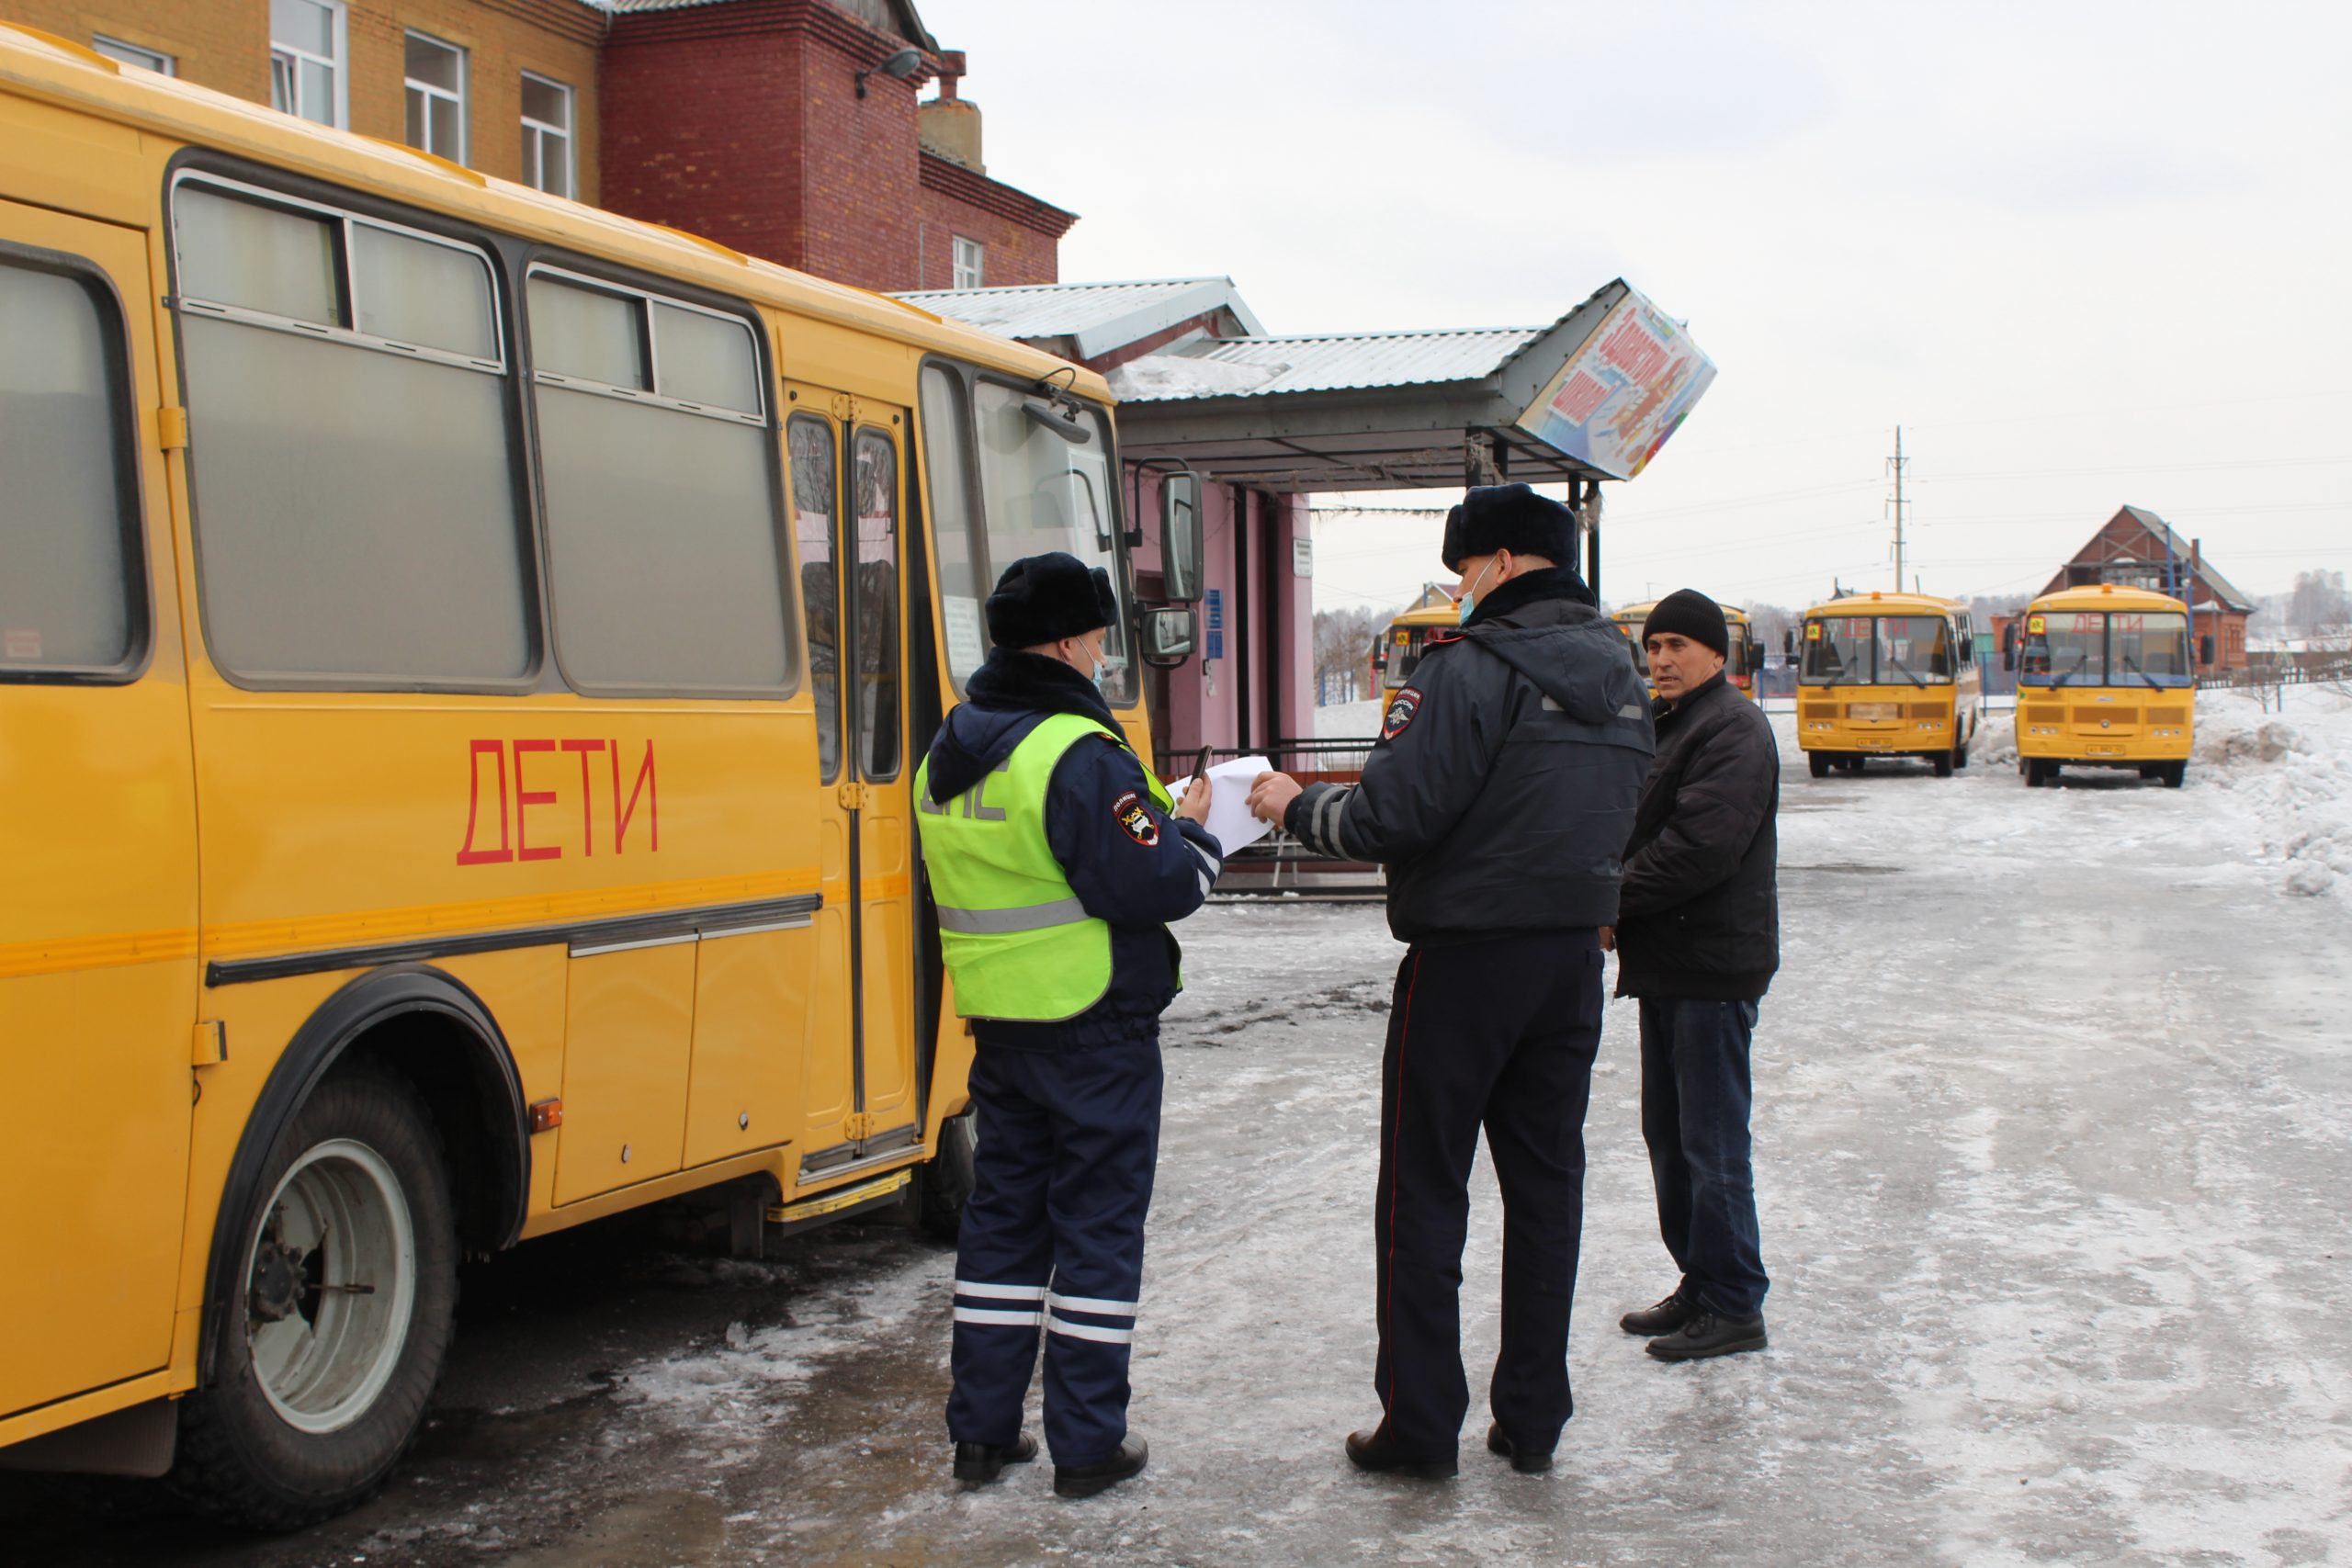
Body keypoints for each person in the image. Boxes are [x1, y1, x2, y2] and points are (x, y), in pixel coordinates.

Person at [1245, 484, 1653, 1478]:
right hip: (1571, 960)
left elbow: (1388, 819)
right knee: (1547, 1188)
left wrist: (1295, 804)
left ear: (1503, 563)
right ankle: (1533, 1418)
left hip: (1465, 960)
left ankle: (1420, 1426)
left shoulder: (1465, 671)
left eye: (1461, 568)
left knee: (1423, 1191)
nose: (1455, 587)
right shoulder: (1624, 677)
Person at [912, 552, 1224, 1498]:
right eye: (1095, 634)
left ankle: (982, 1434)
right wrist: (1199, 836)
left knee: (1003, 1226)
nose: (1098, 651)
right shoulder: (1074, 748)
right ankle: (1087, 1445)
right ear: (1064, 640)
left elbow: (1041, 861)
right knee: (1094, 1230)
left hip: (1003, 1025)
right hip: (1095, 1028)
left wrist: (1152, 816)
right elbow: (1153, 881)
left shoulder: (952, 746)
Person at [1604, 588, 1779, 1360]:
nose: (1662, 660)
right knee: (1670, 1139)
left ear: (1717, 653)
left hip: (1711, 966)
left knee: (1709, 1143)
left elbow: (1699, 849)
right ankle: (1701, 1281)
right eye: (1654, 646)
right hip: (1670, 963)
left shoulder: (1733, 728)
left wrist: (1607, 898)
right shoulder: (1673, 724)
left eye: (1677, 645)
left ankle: (1736, 1301)